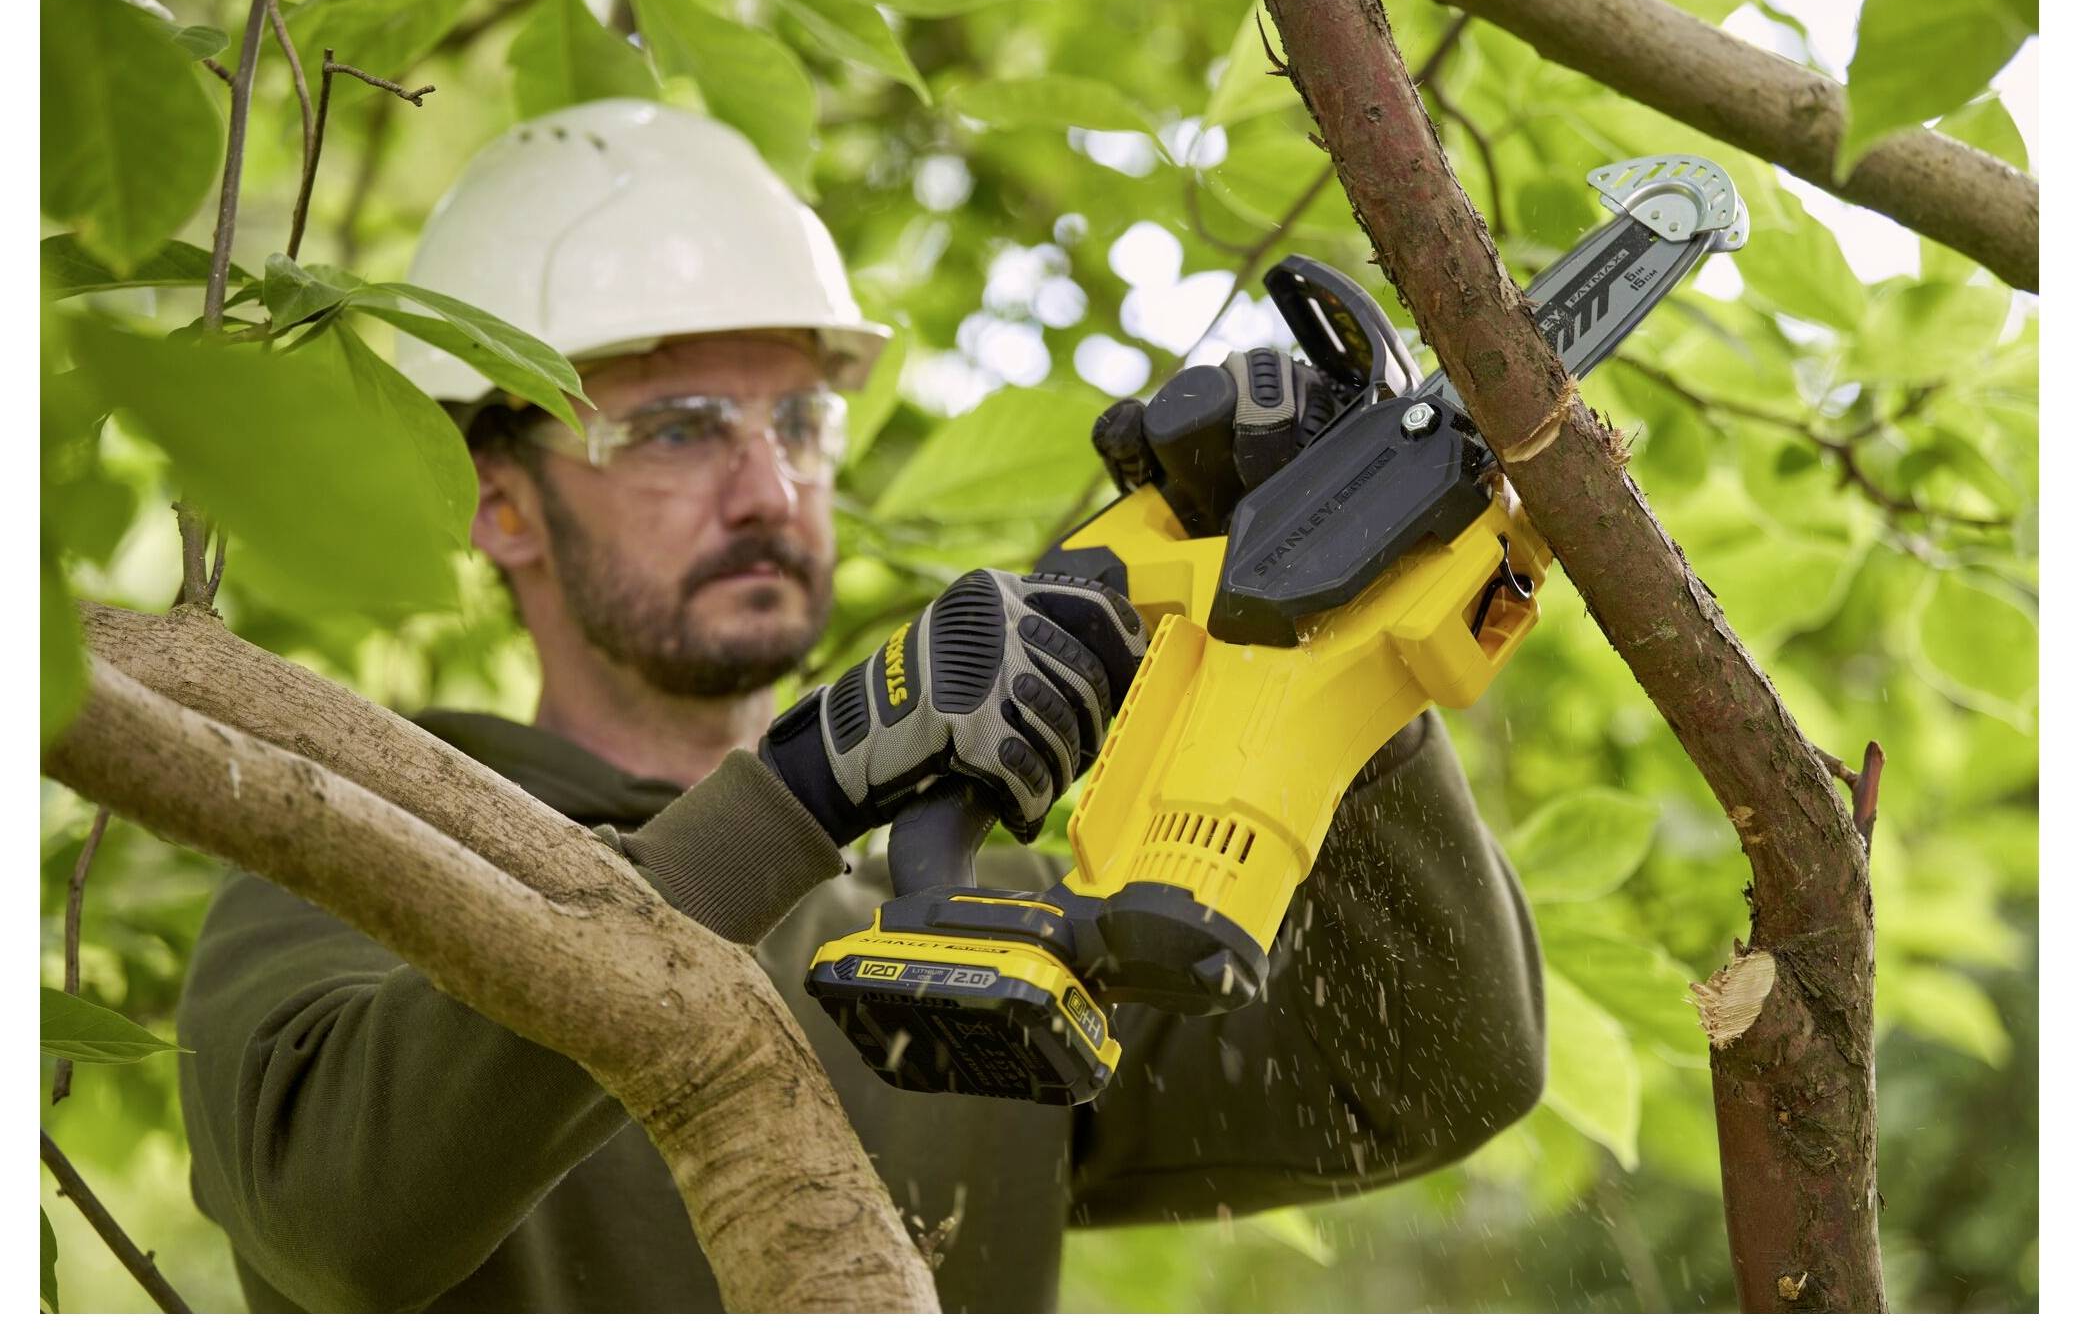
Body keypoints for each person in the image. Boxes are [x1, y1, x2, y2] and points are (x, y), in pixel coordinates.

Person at [176, 99, 1544, 1313]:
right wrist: (795, 794)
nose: (768, 489)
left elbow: (1443, 1064)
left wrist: (1302, 604)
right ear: (500, 499)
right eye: (678, 426)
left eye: (798, 425)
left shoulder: (954, 959)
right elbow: (340, 1224)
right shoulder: (358, 854)